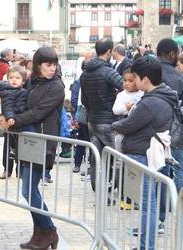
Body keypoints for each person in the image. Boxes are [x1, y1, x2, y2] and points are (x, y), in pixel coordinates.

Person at [0, 46, 64, 250]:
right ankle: (39, 233)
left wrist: (13, 121)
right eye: (47, 64)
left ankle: (50, 230)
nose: (51, 68)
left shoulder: (56, 87)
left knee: (28, 190)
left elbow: (38, 112)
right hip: (28, 141)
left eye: (54, 64)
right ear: (38, 65)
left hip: (43, 142)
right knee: (28, 190)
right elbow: (18, 103)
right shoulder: (33, 83)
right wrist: (3, 117)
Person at [112, 56, 177, 250]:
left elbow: (129, 124)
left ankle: (146, 247)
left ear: (145, 79)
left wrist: (115, 124)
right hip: (152, 154)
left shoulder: (150, 102)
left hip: (145, 155)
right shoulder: (164, 95)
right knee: (149, 204)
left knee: (148, 206)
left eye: (136, 77)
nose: (134, 81)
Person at [80, 38, 124, 191]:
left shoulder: (85, 73)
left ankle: (97, 187)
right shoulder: (108, 71)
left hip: (92, 120)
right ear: (109, 52)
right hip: (108, 121)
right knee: (117, 157)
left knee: (95, 157)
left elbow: (83, 99)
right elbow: (125, 86)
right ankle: (118, 187)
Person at [0, 65, 35, 179]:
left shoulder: (24, 91)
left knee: (20, 149)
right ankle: (7, 169)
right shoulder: (7, 92)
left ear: (23, 80)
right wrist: (9, 117)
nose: (14, 80)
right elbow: (8, 107)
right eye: (11, 78)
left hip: (20, 124)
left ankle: (20, 170)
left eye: (17, 78)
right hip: (10, 123)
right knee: (8, 149)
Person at [157, 38, 183, 192]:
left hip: (151, 129)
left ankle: (161, 204)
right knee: (178, 167)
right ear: (172, 54)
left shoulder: (148, 71)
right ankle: (177, 205)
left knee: (158, 169)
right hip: (175, 132)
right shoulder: (179, 77)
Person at [112, 68, 144, 151]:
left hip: (139, 128)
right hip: (124, 125)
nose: (126, 83)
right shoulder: (121, 95)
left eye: (130, 81)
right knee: (119, 143)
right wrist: (126, 108)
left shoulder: (142, 93)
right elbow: (115, 110)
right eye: (125, 80)